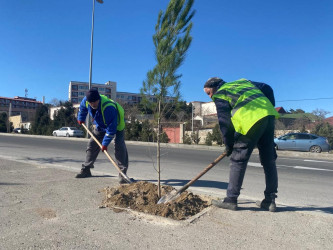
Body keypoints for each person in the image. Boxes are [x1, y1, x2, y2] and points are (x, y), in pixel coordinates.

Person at [203, 77, 279, 212]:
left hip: (250, 121)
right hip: (268, 116)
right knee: (269, 160)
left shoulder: (221, 94)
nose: (210, 97)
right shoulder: (243, 82)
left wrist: (229, 144)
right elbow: (267, 87)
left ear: (215, 87)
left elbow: (225, 124)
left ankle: (231, 200)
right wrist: (269, 106)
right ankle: (270, 201)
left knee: (238, 160)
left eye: (209, 93)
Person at [76, 89, 131, 184]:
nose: (93, 104)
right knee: (92, 144)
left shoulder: (108, 108)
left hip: (117, 126)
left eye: (95, 102)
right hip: (101, 125)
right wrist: (81, 118)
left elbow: (111, 129)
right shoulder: (86, 101)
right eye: (91, 102)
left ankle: (122, 174)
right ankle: (86, 169)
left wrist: (105, 144)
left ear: (99, 99)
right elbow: (82, 108)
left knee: (119, 147)